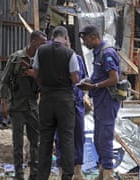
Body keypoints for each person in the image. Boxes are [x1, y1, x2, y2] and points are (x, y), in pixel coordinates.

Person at [31, 25, 80, 180]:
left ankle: (42, 175)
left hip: (46, 99)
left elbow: (36, 73)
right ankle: (66, 175)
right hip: (64, 100)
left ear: (52, 37)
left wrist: (44, 85)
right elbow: (75, 79)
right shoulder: (70, 53)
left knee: (45, 138)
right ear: (65, 37)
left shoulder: (41, 51)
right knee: (66, 138)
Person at [0, 30, 47, 180]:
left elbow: (44, 84)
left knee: (35, 142)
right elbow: (4, 82)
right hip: (17, 107)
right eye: (41, 43)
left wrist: (35, 74)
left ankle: (34, 173)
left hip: (32, 106)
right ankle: (19, 174)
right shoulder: (16, 58)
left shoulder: (42, 61)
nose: (43, 46)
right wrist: (4, 103)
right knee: (18, 143)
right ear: (33, 41)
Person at [78, 24, 121, 179]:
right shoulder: (98, 53)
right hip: (100, 102)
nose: (84, 43)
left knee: (105, 137)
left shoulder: (107, 53)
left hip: (108, 101)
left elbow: (114, 79)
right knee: (98, 138)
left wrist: (94, 86)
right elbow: (100, 77)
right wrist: (88, 82)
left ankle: (109, 173)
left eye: (86, 39)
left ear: (94, 37)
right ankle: (102, 170)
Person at [54, 41, 88, 180]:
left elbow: (84, 79)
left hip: (77, 103)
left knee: (79, 136)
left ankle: (78, 171)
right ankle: (62, 171)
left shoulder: (78, 58)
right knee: (61, 137)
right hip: (60, 104)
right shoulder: (53, 61)